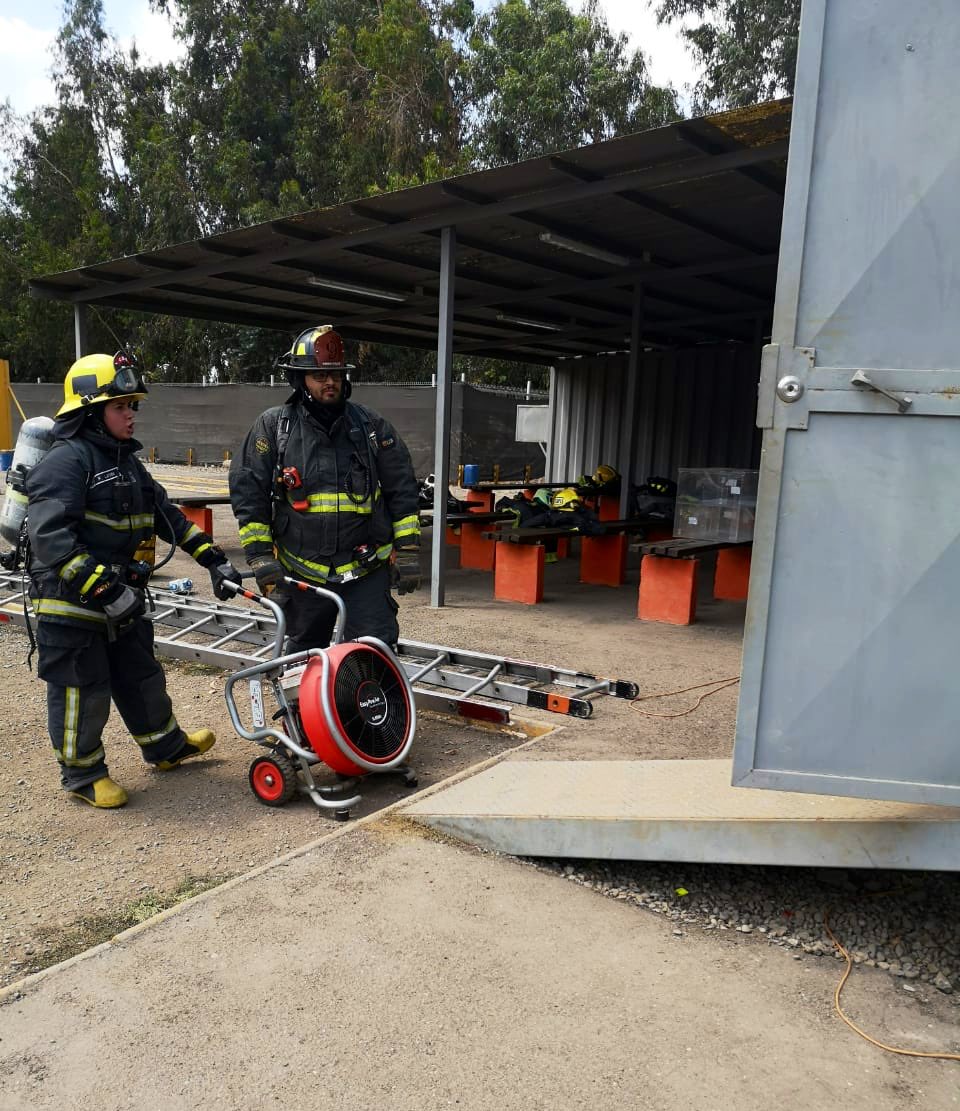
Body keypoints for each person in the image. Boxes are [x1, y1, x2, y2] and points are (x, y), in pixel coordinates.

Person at [25, 352, 243, 809]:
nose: (131, 413)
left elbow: (168, 517)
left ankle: (165, 748)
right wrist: (105, 589)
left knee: (140, 674)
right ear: (91, 411)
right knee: (81, 689)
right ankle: (83, 774)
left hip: (122, 597)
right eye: (120, 405)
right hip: (73, 603)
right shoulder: (65, 463)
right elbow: (51, 540)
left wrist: (215, 561)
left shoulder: (127, 462)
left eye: (133, 405)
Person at [229, 325, 421, 651]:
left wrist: (409, 550)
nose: (329, 382)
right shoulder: (274, 427)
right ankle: (299, 706)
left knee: (374, 653)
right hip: (301, 570)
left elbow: (401, 488)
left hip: (366, 569)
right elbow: (250, 492)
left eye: (334, 374)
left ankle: (362, 703)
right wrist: (261, 557)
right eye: (318, 375)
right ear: (299, 379)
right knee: (302, 659)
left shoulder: (371, 426)